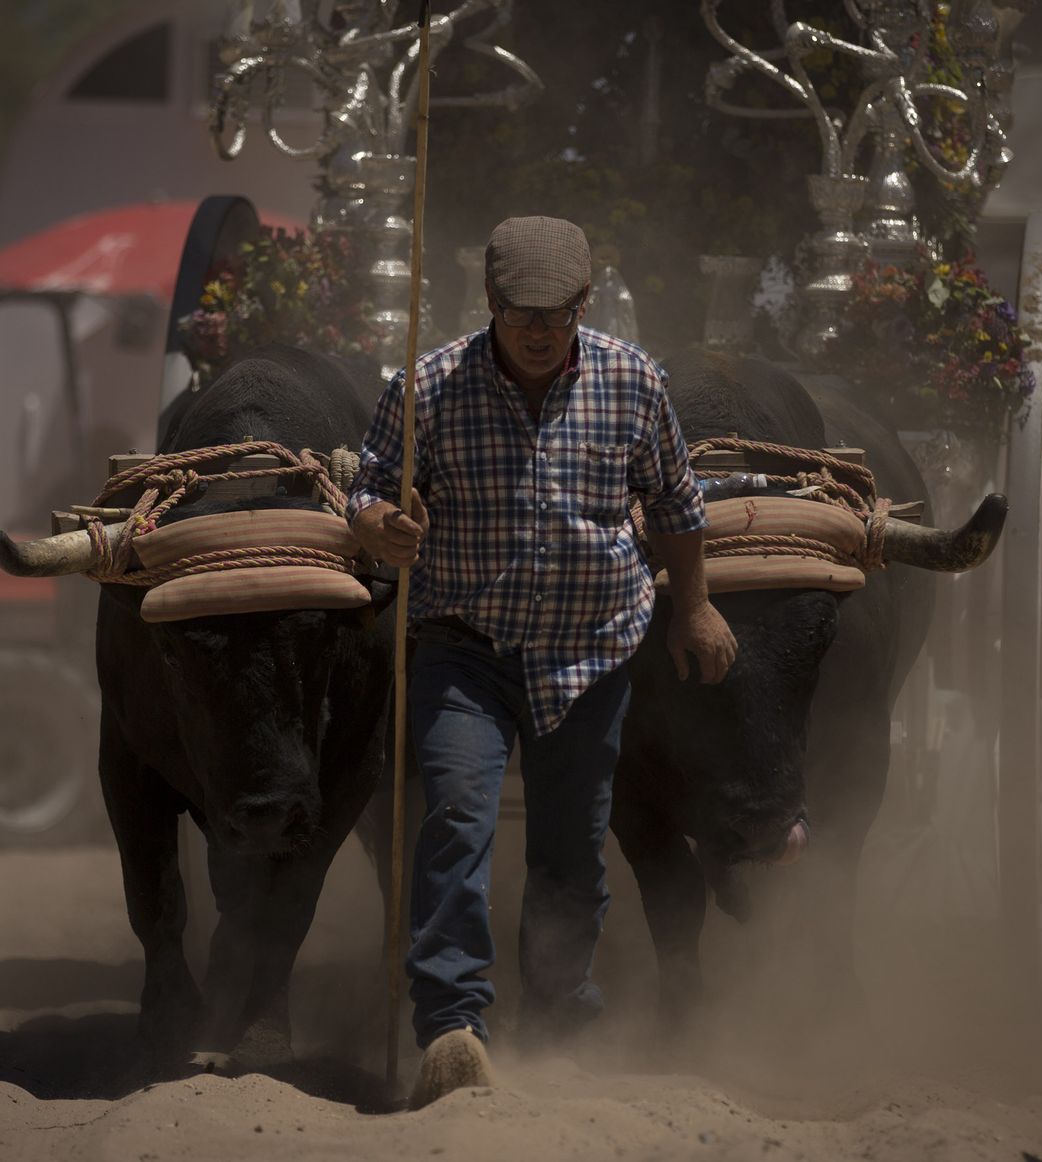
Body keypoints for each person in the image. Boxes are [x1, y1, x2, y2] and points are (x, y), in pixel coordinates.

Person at [346, 215, 737, 1107]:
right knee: (454, 814)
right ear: (490, 302)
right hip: (463, 646)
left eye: (555, 315)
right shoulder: (427, 387)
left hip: (590, 650)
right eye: (520, 311)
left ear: (584, 306)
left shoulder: (632, 382)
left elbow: (676, 503)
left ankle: (561, 1015)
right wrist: (379, 526)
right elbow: (365, 490)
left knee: (571, 853)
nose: (535, 329)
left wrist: (696, 602)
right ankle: (452, 1029)